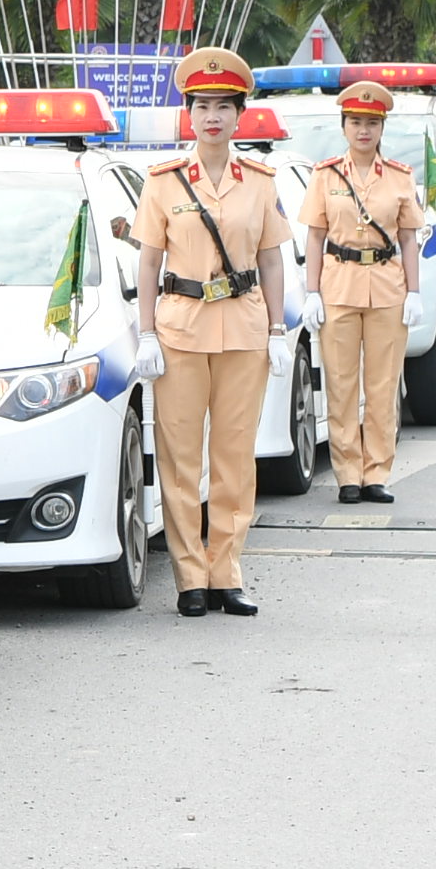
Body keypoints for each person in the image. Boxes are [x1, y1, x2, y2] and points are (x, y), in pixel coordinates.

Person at [130, 45, 289, 615]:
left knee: (235, 456)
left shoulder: (260, 181)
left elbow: (270, 259)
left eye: (224, 106)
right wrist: (145, 332)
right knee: (180, 458)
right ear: (189, 115)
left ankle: (227, 572)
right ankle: (189, 577)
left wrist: (278, 330)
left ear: (240, 115)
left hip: (244, 329)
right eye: (202, 106)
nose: (213, 117)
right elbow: (149, 261)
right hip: (180, 329)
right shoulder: (164, 181)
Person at [298, 81, 425, 502]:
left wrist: (414, 292)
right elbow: (315, 237)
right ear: (344, 126)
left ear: (382, 127)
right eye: (355, 122)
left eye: (371, 122)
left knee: (383, 386)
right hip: (338, 284)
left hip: (387, 286)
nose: (363, 130)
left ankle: (376, 473)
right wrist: (311, 291)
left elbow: (408, 238)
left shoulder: (400, 177)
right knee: (340, 385)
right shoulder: (325, 175)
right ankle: (348, 474)